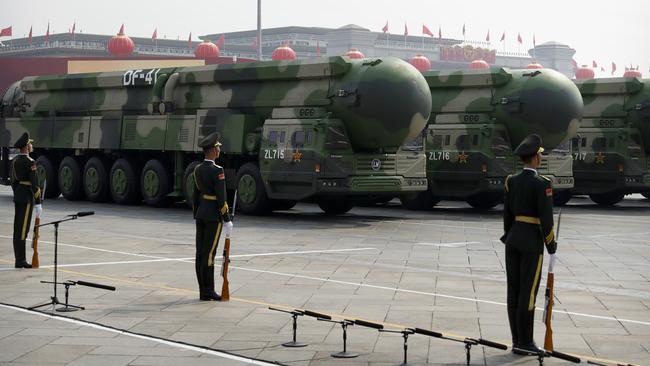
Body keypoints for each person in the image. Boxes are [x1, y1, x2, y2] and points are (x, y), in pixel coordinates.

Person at [501, 134, 557, 354]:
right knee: (529, 292)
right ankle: (525, 342)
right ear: (535, 158)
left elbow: (507, 215)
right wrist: (551, 245)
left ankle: (517, 340)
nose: (541, 158)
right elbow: (546, 219)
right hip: (531, 242)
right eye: (540, 155)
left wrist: (509, 235)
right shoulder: (542, 184)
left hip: (513, 239)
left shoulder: (511, 181)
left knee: (513, 291)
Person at [192, 132, 233, 301]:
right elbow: (221, 198)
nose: (219, 150)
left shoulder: (197, 169)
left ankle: (203, 290)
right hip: (213, 217)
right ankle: (208, 291)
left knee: (200, 253)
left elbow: (195, 195)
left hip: (201, 213)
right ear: (211, 151)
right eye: (217, 147)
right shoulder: (218, 171)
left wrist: (196, 213)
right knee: (209, 254)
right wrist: (227, 218)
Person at [11, 132, 42, 269]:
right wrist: (38, 202)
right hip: (27, 198)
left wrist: (18, 192)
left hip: (18, 195)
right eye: (30, 143)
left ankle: (19, 259)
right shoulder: (30, 162)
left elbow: (13, 181)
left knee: (17, 228)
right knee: (23, 229)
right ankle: (21, 260)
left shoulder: (15, 160)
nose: (31, 145)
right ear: (26, 147)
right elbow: (35, 184)